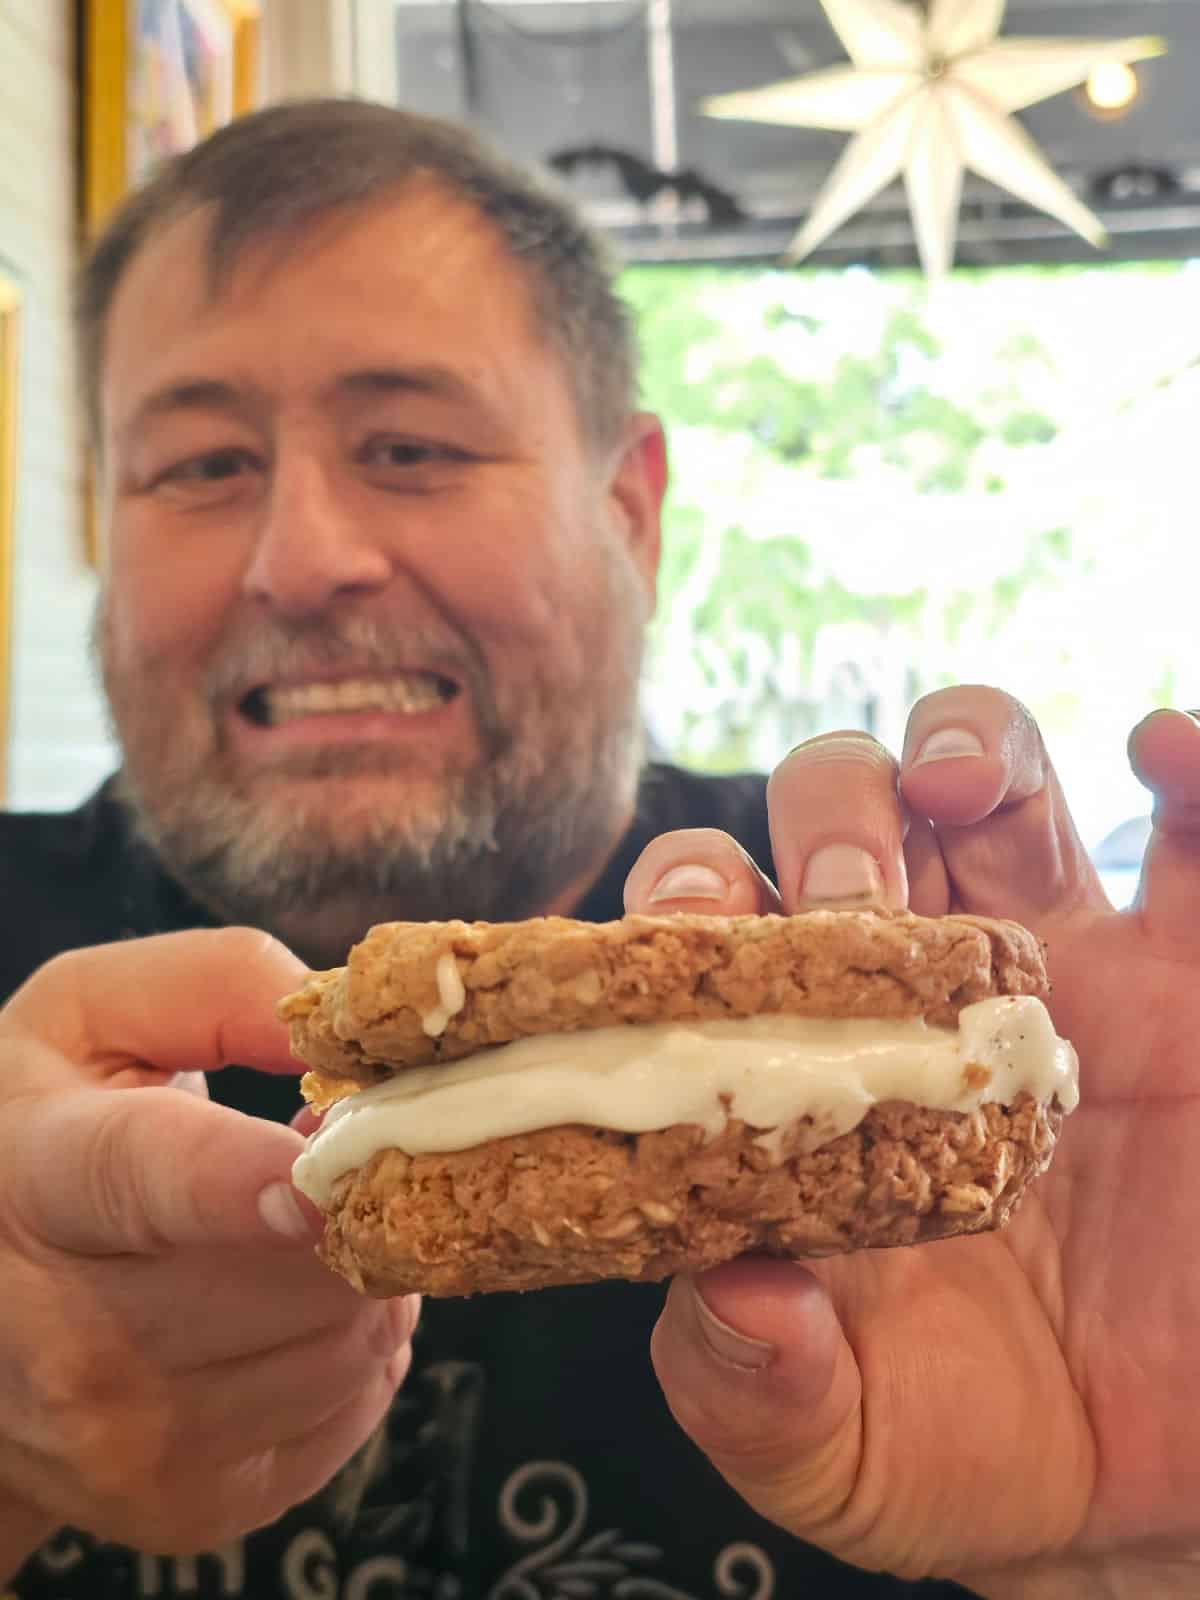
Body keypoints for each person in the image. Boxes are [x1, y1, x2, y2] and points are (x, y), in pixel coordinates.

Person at [1, 95, 1198, 1599]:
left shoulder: (900, 992)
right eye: (197, 467)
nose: (298, 558)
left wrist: (1153, 1546)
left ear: (629, 511)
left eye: (412, 446)